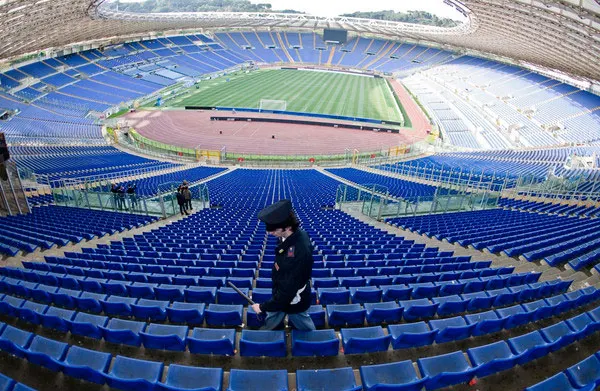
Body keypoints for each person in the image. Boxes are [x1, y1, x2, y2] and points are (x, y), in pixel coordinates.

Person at [251, 199, 315, 331]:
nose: (269, 232)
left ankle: (315, 343)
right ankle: (267, 331)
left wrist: (262, 307)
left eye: (273, 229)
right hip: (281, 293)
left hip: (292, 299)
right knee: (274, 314)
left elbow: (288, 291)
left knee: (302, 321)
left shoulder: (299, 252)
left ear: (287, 227)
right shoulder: (295, 235)